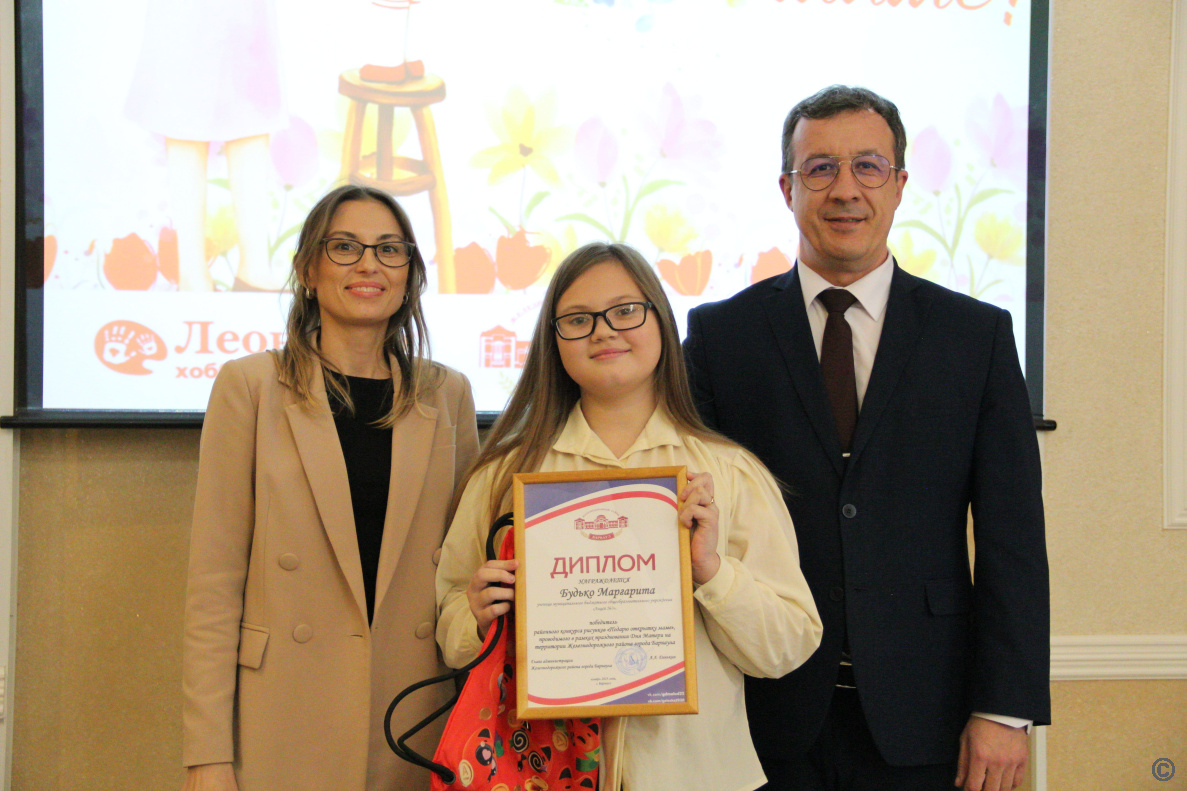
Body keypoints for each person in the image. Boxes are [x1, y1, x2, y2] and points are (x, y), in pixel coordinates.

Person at [683, 86, 1050, 791]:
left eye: (868, 166)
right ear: (787, 189)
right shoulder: (722, 336)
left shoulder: (974, 336)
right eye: (819, 168)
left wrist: (1005, 708)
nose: (845, 189)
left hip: (929, 714)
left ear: (900, 184)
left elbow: (1013, 537)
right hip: (763, 713)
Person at [435, 242, 823, 791]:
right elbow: (449, 619)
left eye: (625, 311)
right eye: (578, 319)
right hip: (537, 774)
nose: (603, 332)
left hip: (696, 778)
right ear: (552, 341)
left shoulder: (728, 473)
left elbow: (787, 646)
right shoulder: (504, 476)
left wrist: (712, 572)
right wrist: (478, 617)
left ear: (661, 321)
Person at [181, 184, 479, 790]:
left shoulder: (448, 394)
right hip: (282, 711)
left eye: (389, 249)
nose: (369, 264)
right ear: (307, 269)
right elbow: (213, 587)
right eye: (345, 247)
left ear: (410, 275)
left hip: (414, 712)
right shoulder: (251, 387)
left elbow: (463, 563)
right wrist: (206, 754)